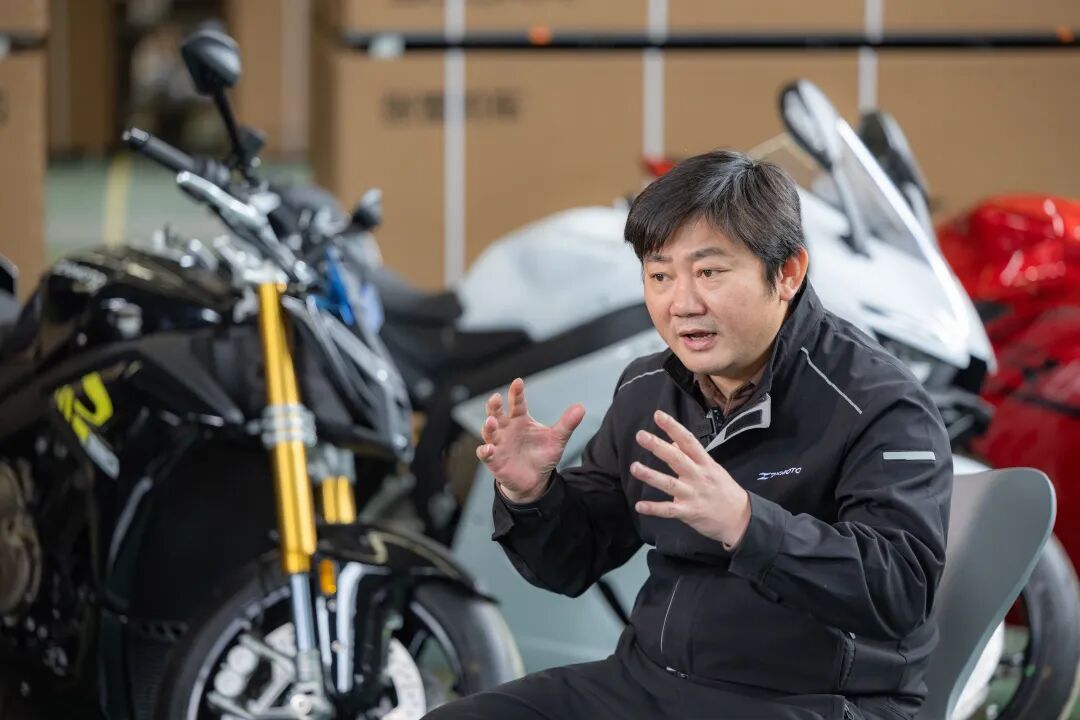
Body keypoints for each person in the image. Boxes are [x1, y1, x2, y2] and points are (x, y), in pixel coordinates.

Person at [425, 150, 952, 720]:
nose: (682, 304)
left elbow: (901, 590)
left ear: (788, 273)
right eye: (660, 276)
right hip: (649, 683)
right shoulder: (648, 388)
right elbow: (574, 562)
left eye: (709, 273)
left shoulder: (878, 400)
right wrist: (534, 496)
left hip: (813, 701)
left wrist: (747, 524)